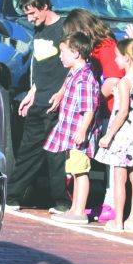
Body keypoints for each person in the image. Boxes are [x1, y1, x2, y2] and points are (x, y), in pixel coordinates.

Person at [9, 0, 68, 212]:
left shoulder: (64, 29)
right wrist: (32, 93)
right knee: (29, 150)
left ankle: (62, 201)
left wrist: (62, 92)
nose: (30, 18)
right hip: (39, 98)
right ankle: (13, 196)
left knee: (56, 155)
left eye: (33, 13)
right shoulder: (39, 31)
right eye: (26, 14)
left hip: (57, 101)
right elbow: (40, 67)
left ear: (44, 7)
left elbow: (74, 66)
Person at [97, 38, 133, 232]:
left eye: (118, 57)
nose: (115, 61)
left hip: (123, 134)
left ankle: (119, 220)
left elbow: (122, 112)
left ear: (128, 59)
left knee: (119, 179)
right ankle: (132, 220)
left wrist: (108, 135)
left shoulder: (125, 82)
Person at [46, 32, 101, 223]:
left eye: (63, 52)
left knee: (80, 171)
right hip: (72, 132)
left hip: (78, 133)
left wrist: (82, 130)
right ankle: (75, 208)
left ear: (76, 53)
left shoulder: (83, 78)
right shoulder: (75, 74)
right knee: (76, 171)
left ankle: (79, 211)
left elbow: (89, 108)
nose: (60, 56)